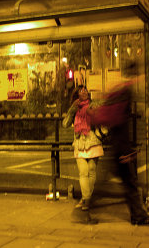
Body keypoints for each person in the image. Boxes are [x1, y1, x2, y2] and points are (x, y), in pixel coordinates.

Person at [91, 64, 149, 226]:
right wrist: (125, 150)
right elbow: (118, 120)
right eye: (141, 75)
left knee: (119, 182)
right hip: (121, 149)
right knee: (129, 183)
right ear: (135, 75)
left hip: (120, 147)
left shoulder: (121, 90)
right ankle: (137, 216)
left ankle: (86, 208)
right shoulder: (124, 91)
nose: (142, 78)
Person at [63, 85, 104, 224]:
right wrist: (72, 109)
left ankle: (85, 199)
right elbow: (65, 124)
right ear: (76, 95)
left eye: (85, 90)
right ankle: (86, 199)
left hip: (93, 141)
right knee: (83, 172)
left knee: (92, 171)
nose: (84, 92)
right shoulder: (75, 109)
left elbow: (101, 117)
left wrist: (95, 112)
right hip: (80, 143)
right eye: (81, 91)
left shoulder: (93, 105)